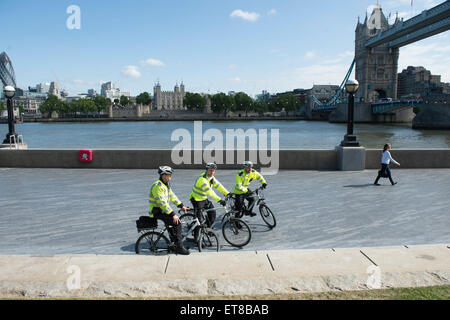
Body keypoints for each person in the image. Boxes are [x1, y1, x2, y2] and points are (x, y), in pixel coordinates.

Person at [149, 166, 190, 255]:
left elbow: (172, 196)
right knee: (177, 223)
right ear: (163, 175)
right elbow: (162, 203)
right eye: (168, 175)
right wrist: (173, 214)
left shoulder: (165, 185)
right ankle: (179, 247)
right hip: (157, 211)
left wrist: (181, 205)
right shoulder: (158, 186)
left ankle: (174, 245)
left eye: (170, 175)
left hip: (162, 210)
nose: (170, 177)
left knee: (172, 226)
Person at [189, 163, 229, 230]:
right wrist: (219, 200)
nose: (212, 172)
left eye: (213, 170)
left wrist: (228, 193)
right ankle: (197, 238)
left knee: (212, 213)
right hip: (196, 200)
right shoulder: (202, 179)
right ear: (206, 170)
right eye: (210, 170)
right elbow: (209, 191)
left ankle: (209, 230)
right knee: (199, 221)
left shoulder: (211, 178)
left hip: (204, 199)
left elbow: (219, 186)